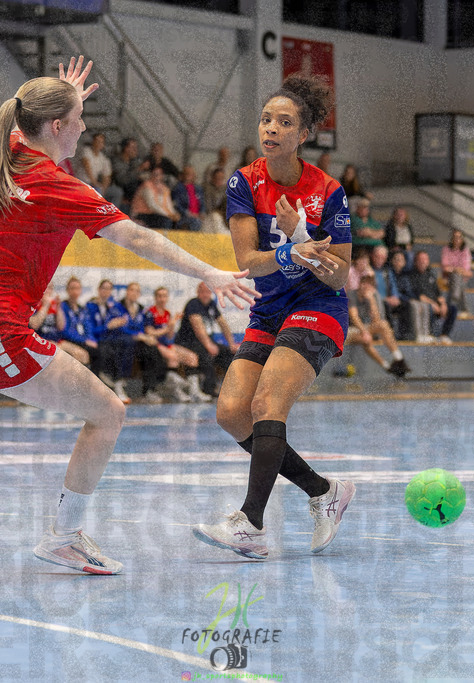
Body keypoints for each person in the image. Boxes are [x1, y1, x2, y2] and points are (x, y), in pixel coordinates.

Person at [0, 57, 256, 575]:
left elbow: (26, 113)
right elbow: (138, 238)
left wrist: (62, 92)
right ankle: (64, 538)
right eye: (77, 118)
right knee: (108, 412)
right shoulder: (58, 186)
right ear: (55, 127)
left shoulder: (3, 151)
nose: (84, 126)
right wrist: (211, 273)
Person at [192, 74, 355, 562]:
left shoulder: (329, 191)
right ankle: (324, 491)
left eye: (284, 123)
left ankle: (251, 524)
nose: (271, 128)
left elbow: (340, 274)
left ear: (302, 134)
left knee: (267, 402)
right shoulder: (244, 181)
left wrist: (301, 234)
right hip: (269, 309)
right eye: (266, 120)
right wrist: (294, 251)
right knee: (231, 413)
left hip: (318, 307)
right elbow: (248, 260)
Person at [98, 282, 168, 404]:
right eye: (132, 290)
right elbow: (119, 327)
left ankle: (149, 389)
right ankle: (119, 383)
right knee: (127, 342)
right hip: (119, 340)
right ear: (127, 292)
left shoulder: (140, 309)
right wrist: (137, 335)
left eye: (137, 291)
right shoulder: (117, 307)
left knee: (151, 348)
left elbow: (141, 327)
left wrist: (146, 337)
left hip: (136, 341)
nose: (134, 293)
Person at [174, 281, 238, 400]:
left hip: (204, 342)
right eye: (202, 292)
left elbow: (223, 324)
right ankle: (209, 389)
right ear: (198, 292)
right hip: (188, 342)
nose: (205, 295)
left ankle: (233, 387)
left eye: (208, 292)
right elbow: (198, 327)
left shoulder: (211, 304)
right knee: (205, 355)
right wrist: (209, 345)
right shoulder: (193, 304)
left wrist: (231, 343)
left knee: (228, 353)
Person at [347, 275, 409, 377]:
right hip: (349, 330)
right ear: (360, 284)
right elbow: (354, 318)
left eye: (368, 286)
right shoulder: (351, 294)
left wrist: (371, 300)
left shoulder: (371, 297)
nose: (365, 288)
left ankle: (399, 359)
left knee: (384, 325)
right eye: (363, 284)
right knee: (366, 339)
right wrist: (364, 332)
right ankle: (387, 366)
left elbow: (376, 320)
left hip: (364, 328)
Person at [145, 286, 200, 402]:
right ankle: (176, 391)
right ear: (155, 298)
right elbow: (150, 332)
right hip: (156, 344)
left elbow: (170, 336)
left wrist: (172, 325)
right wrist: (167, 328)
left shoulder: (167, 313)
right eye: (159, 296)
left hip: (167, 343)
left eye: (164, 296)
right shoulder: (150, 313)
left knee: (192, 357)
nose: (162, 299)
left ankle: (194, 391)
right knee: (172, 357)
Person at [404, 250, 457, 344]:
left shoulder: (431, 274)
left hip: (435, 303)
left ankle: (444, 335)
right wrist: (433, 304)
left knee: (453, 308)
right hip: (423, 304)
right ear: (416, 261)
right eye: (421, 259)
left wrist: (443, 304)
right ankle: (429, 334)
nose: (423, 261)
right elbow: (419, 296)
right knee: (429, 308)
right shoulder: (412, 275)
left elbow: (438, 294)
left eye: (425, 259)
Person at [56, 276, 98, 370]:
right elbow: (64, 330)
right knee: (90, 353)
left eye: (78, 288)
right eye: (72, 288)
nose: (75, 291)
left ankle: (94, 378)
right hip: (70, 339)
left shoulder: (82, 308)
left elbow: (88, 327)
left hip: (82, 340)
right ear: (67, 290)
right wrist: (84, 340)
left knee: (98, 350)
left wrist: (91, 340)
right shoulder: (63, 306)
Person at [76, 131, 122, 205]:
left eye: (101, 142)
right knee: (97, 192)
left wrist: (103, 189)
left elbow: (107, 176)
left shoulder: (103, 158)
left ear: (103, 145)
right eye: (97, 141)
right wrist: (95, 183)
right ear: (93, 142)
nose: (98, 144)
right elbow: (87, 167)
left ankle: (110, 211)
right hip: (82, 182)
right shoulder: (86, 151)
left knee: (117, 192)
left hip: (94, 185)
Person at [441, 229, 473, 312]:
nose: (457, 239)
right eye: (455, 237)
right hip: (448, 278)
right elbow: (445, 268)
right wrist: (456, 270)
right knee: (456, 276)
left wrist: (454, 269)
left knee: (457, 278)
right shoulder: (446, 249)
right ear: (451, 239)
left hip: (462, 279)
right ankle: (463, 307)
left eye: (459, 237)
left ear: (462, 239)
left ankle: (454, 299)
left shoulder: (465, 250)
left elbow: (467, 271)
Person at [110, 137, 141, 205]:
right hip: (119, 187)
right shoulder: (116, 161)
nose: (136, 150)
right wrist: (139, 169)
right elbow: (122, 180)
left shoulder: (133, 161)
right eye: (133, 148)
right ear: (126, 149)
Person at [171, 165, 203, 231]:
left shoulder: (198, 188)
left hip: (198, 216)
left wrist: (202, 213)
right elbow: (176, 205)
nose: (190, 176)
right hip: (183, 216)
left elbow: (202, 203)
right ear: (182, 175)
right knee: (195, 222)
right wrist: (189, 214)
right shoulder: (177, 188)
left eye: (192, 174)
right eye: (187, 174)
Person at [200, 167, 229, 234]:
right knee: (215, 217)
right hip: (209, 215)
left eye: (221, 178)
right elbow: (206, 205)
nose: (219, 180)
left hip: (223, 216)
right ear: (212, 178)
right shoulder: (206, 188)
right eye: (217, 177)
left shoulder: (227, 190)